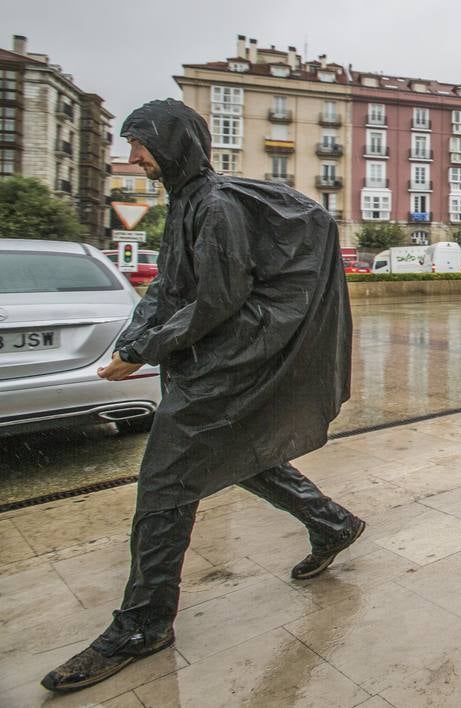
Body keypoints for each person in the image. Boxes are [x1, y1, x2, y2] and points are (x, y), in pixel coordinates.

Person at [42, 98, 365, 693]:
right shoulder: (187, 202)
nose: (133, 155)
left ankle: (143, 624)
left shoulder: (214, 207)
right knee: (239, 452)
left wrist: (144, 350)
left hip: (225, 365)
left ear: (171, 142)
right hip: (205, 364)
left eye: (140, 142)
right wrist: (131, 338)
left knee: (165, 486)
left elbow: (215, 299)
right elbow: (168, 286)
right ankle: (331, 523)